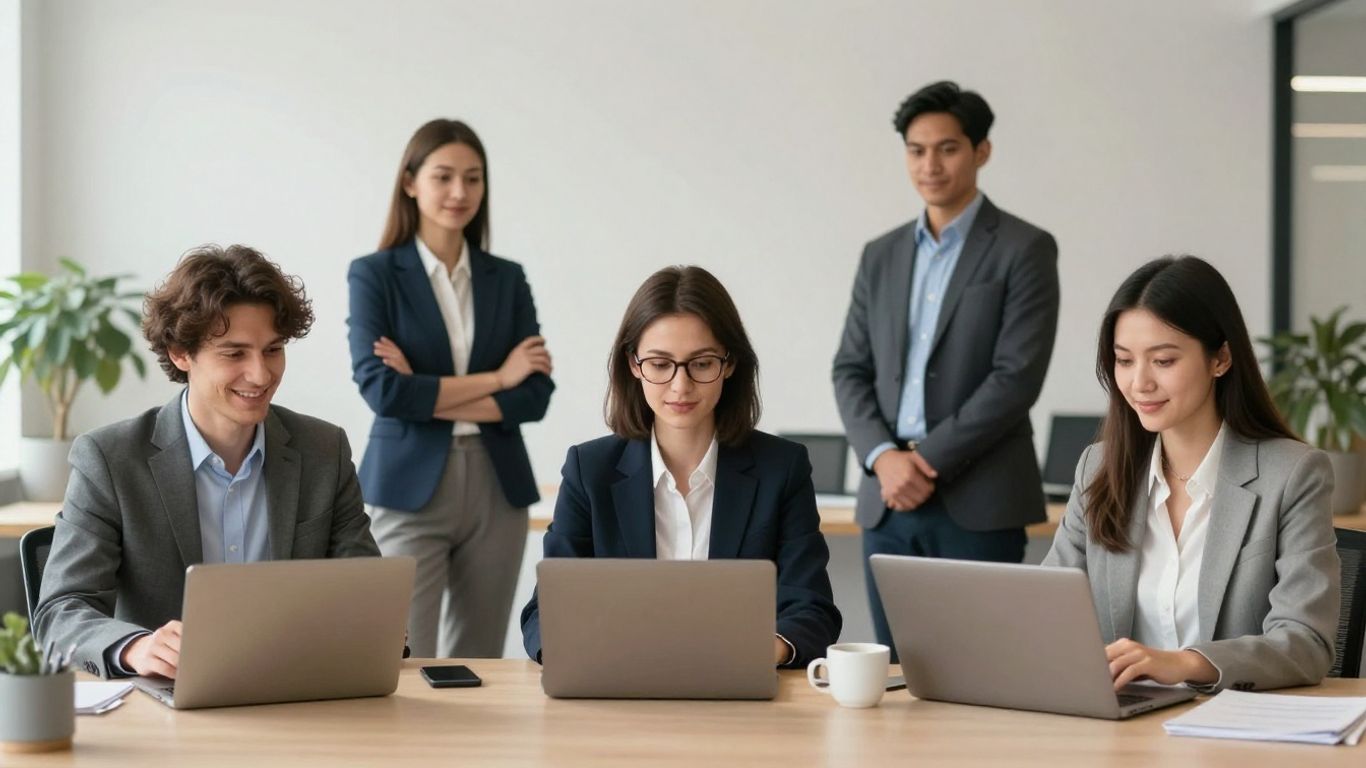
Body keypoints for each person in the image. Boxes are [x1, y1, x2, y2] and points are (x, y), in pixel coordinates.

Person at [34, 245, 381, 680]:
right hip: (168, 705)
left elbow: (366, 594)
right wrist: (136, 648)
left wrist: (379, 628)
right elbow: (60, 613)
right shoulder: (110, 459)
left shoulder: (323, 450)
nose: (261, 374)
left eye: (272, 350)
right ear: (181, 354)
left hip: (294, 694)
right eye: (234, 354)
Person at [831, 81, 1060, 653]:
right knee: (896, 671)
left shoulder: (1024, 248)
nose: (929, 164)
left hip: (978, 497)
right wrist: (885, 459)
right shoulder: (880, 255)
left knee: (980, 670)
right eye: (916, 149)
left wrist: (924, 461)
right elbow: (849, 369)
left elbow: (1016, 377)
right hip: (886, 500)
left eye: (948, 148)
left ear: (982, 151)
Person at [520, 266, 841, 667]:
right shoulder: (590, 470)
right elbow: (545, 611)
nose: (680, 386)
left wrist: (756, 653)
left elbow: (812, 607)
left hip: (740, 689)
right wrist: (583, 655)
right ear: (634, 365)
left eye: (701, 364)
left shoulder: (782, 468)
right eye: (660, 364)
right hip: (618, 688)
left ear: (730, 364)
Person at [1044, 256, 1339, 692]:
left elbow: (1305, 643)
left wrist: (1185, 663)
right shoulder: (1099, 468)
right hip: (1120, 730)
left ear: (1220, 358)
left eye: (1163, 361)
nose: (1138, 382)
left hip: (1233, 736)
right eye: (1124, 361)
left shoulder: (1293, 474)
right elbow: (1043, 609)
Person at [348, 119, 554, 659]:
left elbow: (534, 396)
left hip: (497, 484)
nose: (460, 192)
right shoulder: (375, 276)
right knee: (404, 655)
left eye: (473, 178)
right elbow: (384, 394)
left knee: (480, 657)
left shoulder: (506, 278)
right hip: (408, 485)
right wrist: (497, 379)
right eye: (444, 176)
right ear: (411, 182)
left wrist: (424, 387)